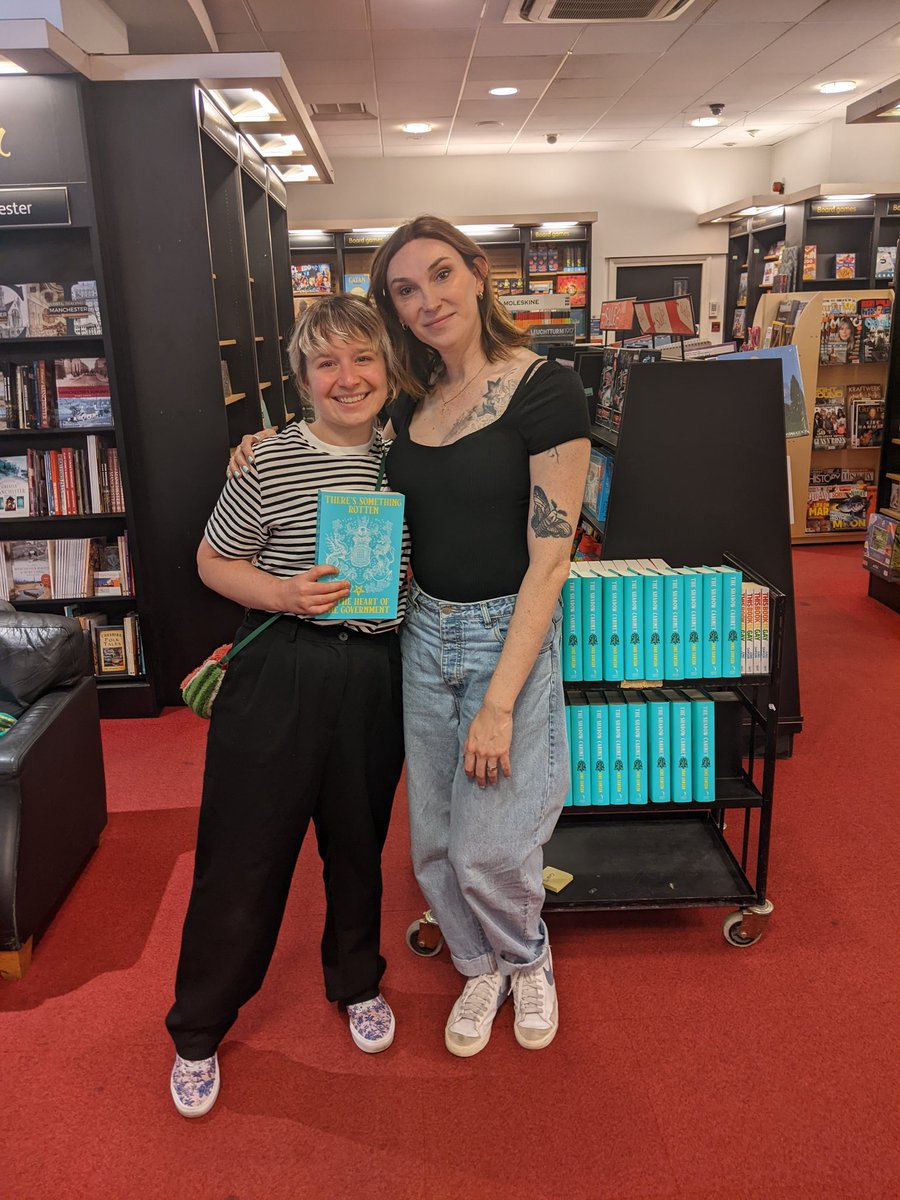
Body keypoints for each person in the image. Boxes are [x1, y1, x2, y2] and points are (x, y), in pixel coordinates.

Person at [234, 216, 590, 1057]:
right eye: (404, 289)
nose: (427, 299)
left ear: (476, 274)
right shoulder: (412, 400)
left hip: (508, 634)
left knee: (493, 837)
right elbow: (338, 431)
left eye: (440, 275)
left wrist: (501, 700)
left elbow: (551, 561)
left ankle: (525, 955)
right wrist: (261, 444)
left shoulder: (546, 388)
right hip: (420, 632)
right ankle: (478, 964)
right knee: (432, 835)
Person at [166, 296, 409, 1118]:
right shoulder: (268, 461)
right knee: (244, 854)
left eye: (363, 359)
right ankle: (197, 1027)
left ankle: (357, 982)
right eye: (327, 363)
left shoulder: (408, 453)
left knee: (357, 845)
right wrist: (282, 592)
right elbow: (210, 561)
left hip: (377, 671)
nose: (349, 379)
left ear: (388, 368)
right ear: (303, 379)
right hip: (281, 665)